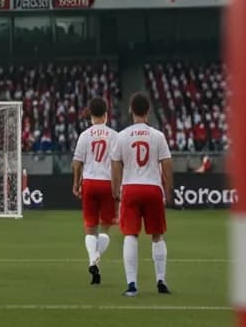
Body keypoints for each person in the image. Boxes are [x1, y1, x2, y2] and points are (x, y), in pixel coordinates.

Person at [110, 93, 174, 297]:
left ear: (131, 110)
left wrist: (116, 188)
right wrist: (169, 189)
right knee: (157, 236)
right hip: (153, 188)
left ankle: (132, 284)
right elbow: (167, 163)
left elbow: (115, 163)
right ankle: (161, 280)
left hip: (131, 188)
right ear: (148, 111)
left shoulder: (122, 136)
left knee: (130, 234)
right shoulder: (158, 135)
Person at [72, 97, 117, 286]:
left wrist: (76, 183)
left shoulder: (85, 135)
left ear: (91, 114)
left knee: (90, 228)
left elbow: (77, 163)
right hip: (107, 183)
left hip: (89, 182)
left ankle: (92, 259)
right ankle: (96, 257)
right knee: (105, 227)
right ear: (106, 114)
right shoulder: (115, 135)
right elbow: (117, 163)